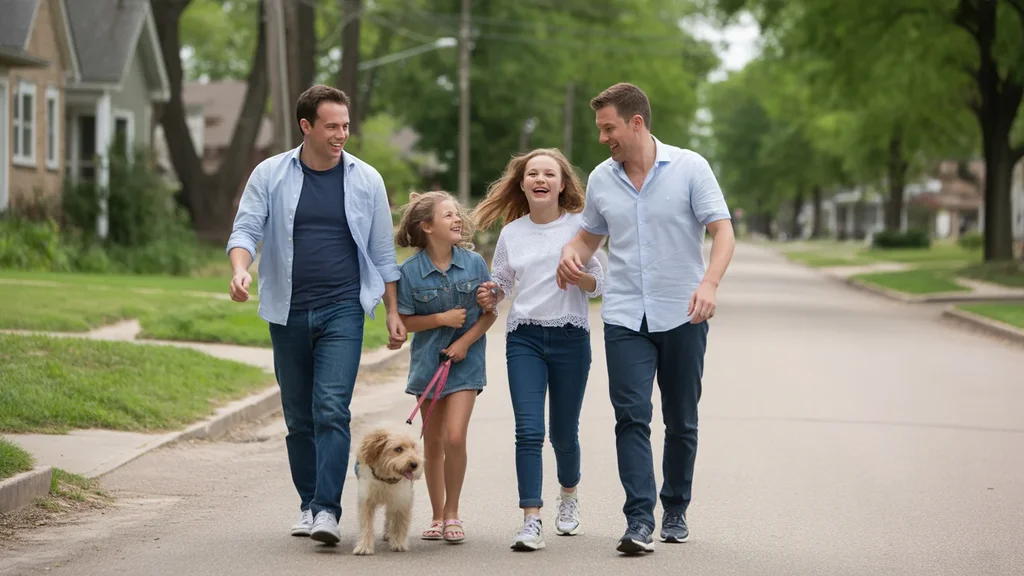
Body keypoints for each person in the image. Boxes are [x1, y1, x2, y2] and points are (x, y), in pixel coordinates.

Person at [556, 82, 736, 555]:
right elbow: (588, 239)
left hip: (683, 312)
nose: (602, 138)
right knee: (631, 416)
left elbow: (722, 232)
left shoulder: (690, 168)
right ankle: (639, 519)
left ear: (636, 123)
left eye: (608, 127)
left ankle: (675, 506)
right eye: (600, 129)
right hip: (623, 316)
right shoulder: (600, 178)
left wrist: (710, 283)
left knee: (681, 419)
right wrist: (570, 255)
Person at [226, 85, 406, 545]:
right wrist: (241, 271)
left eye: (345, 125)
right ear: (306, 126)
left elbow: (383, 251)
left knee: (330, 409)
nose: (341, 134)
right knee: (298, 416)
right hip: (286, 310)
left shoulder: (366, 179)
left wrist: (391, 311)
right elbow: (246, 227)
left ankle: (327, 510)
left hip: (343, 308)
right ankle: (308, 504)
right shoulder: (270, 173)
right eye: (332, 126)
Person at [473, 148, 604, 551]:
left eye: (549, 173)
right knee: (529, 431)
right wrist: (490, 292)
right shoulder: (513, 233)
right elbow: (504, 283)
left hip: (570, 337)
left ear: (562, 184)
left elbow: (600, 284)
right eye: (533, 173)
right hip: (525, 337)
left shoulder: (580, 227)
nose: (540, 179)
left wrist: (579, 276)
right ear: (523, 183)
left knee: (564, 433)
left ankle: (569, 497)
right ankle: (531, 518)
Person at [394, 191, 497, 544]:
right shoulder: (408, 273)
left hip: (465, 364)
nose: (458, 220)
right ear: (427, 227)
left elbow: (489, 314)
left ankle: (453, 511)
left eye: (458, 214)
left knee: (454, 436)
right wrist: (440, 318)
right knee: (433, 442)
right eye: (448, 215)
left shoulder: (474, 264)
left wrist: (464, 342)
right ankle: (437, 516)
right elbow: (405, 322)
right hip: (428, 366)